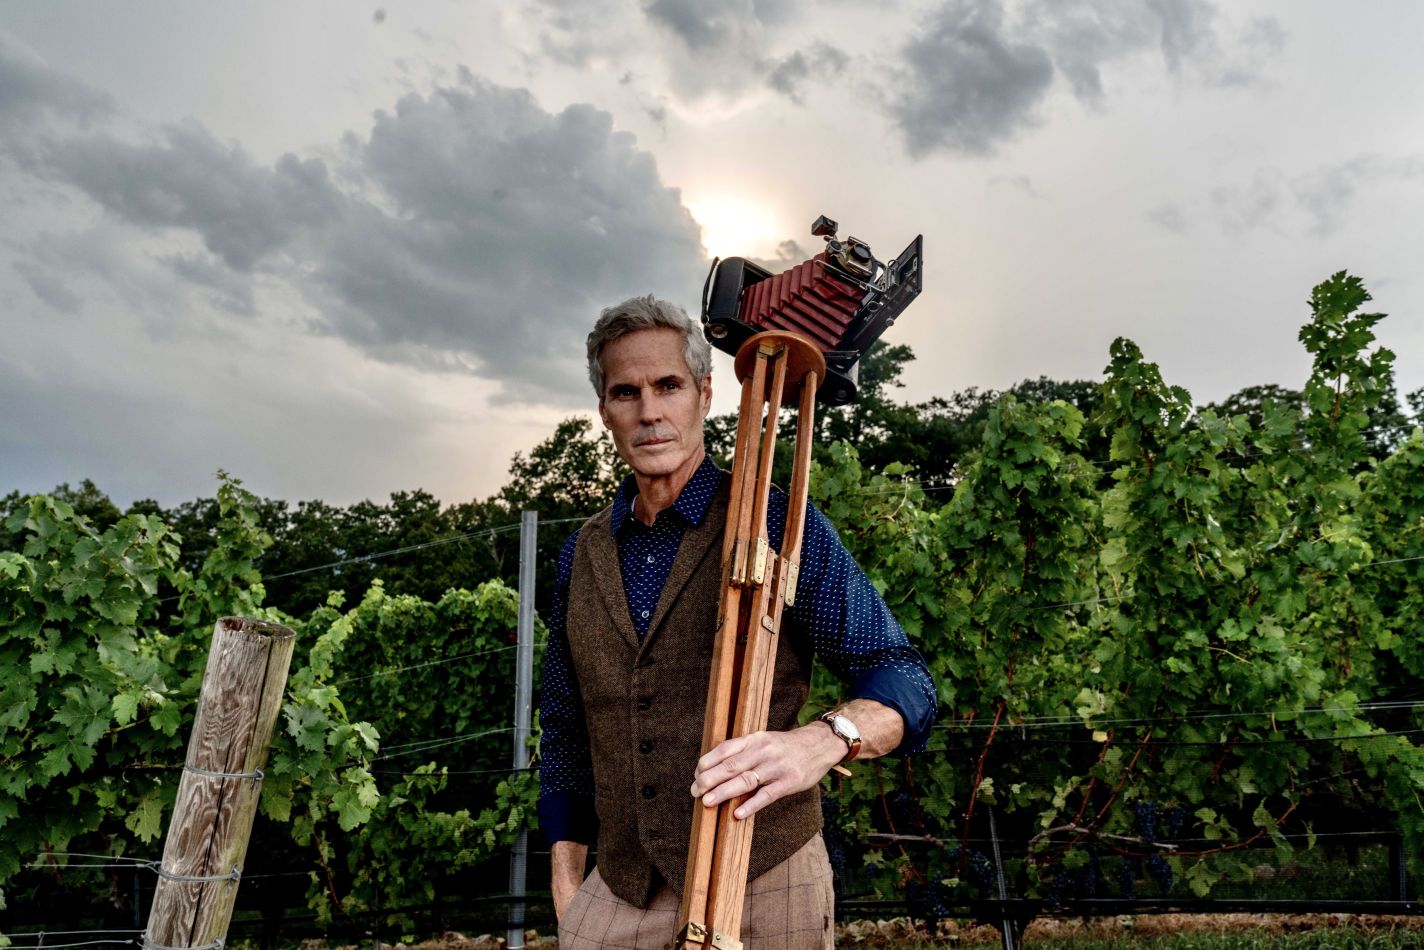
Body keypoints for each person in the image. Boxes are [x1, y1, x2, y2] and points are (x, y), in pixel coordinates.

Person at [538, 295, 937, 949]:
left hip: (766, 879)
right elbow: (565, 729)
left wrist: (821, 741)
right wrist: (567, 890)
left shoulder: (774, 520)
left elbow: (902, 677)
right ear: (604, 410)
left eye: (668, 385)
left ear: (704, 393)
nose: (649, 411)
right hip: (621, 891)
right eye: (626, 392)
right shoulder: (581, 553)